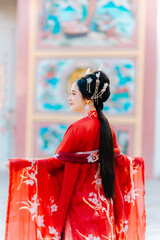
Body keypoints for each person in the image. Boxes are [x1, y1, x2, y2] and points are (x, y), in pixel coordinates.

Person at [5, 68, 146, 240]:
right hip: (103, 206)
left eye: (73, 94)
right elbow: (119, 161)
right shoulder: (107, 127)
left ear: (87, 99)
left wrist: (21, 164)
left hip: (79, 205)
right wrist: (137, 162)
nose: (69, 98)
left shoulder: (77, 128)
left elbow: (55, 164)